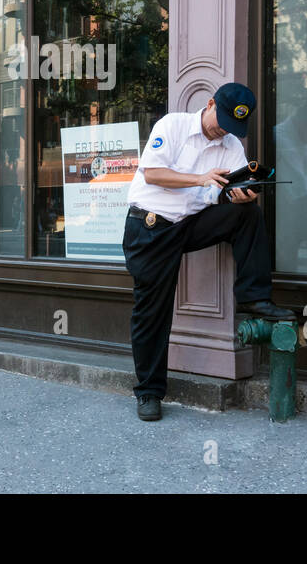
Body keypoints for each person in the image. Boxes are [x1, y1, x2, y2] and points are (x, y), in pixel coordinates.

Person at [122, 83, 294, 422]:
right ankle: (148, 393)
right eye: (223, 120)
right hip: (151, 227)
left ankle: (254, 297)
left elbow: (224, 194)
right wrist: (201, 179)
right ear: (210, 103)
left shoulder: (231, 145)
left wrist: (242, 195)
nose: (224, 131)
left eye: (234, 126)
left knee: (248, 213)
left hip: (190, 223)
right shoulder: (172, 125)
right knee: (151, 312)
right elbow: (153, 173)